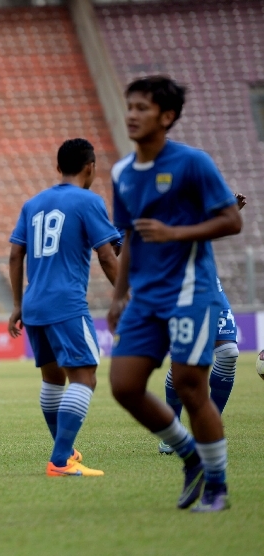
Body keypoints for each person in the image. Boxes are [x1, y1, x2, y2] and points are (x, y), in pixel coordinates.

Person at [108, 76, 241, 512]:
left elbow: (230, 220)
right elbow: (131, 236)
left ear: (166, 117)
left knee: (190, 387)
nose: (132, 114)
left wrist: (176, 232)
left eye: (142, 107)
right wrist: (119, 294)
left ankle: (217, 487)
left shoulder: (193, 163)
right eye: (130, 106)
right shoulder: (122, 172)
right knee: (124, 386)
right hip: (145, 298)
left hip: (189, 292)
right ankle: (189, 455)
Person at [8, 139, 119, 477]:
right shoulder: (88, 201)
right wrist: (127, 295)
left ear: (58, 168)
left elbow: (15, 254)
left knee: (53, 381)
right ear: (91, 166)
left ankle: (65, 452)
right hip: (66, 303)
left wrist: (17, 304)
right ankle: (59, 460)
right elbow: (106, 254)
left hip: (34, 304)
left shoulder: (33, 204)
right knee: (85, 377)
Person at [158, 194, 246, 454]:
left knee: (228, 353)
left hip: (209, 285)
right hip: (179, 291)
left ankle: (209, 429)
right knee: (184, 367)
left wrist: (227, 212)